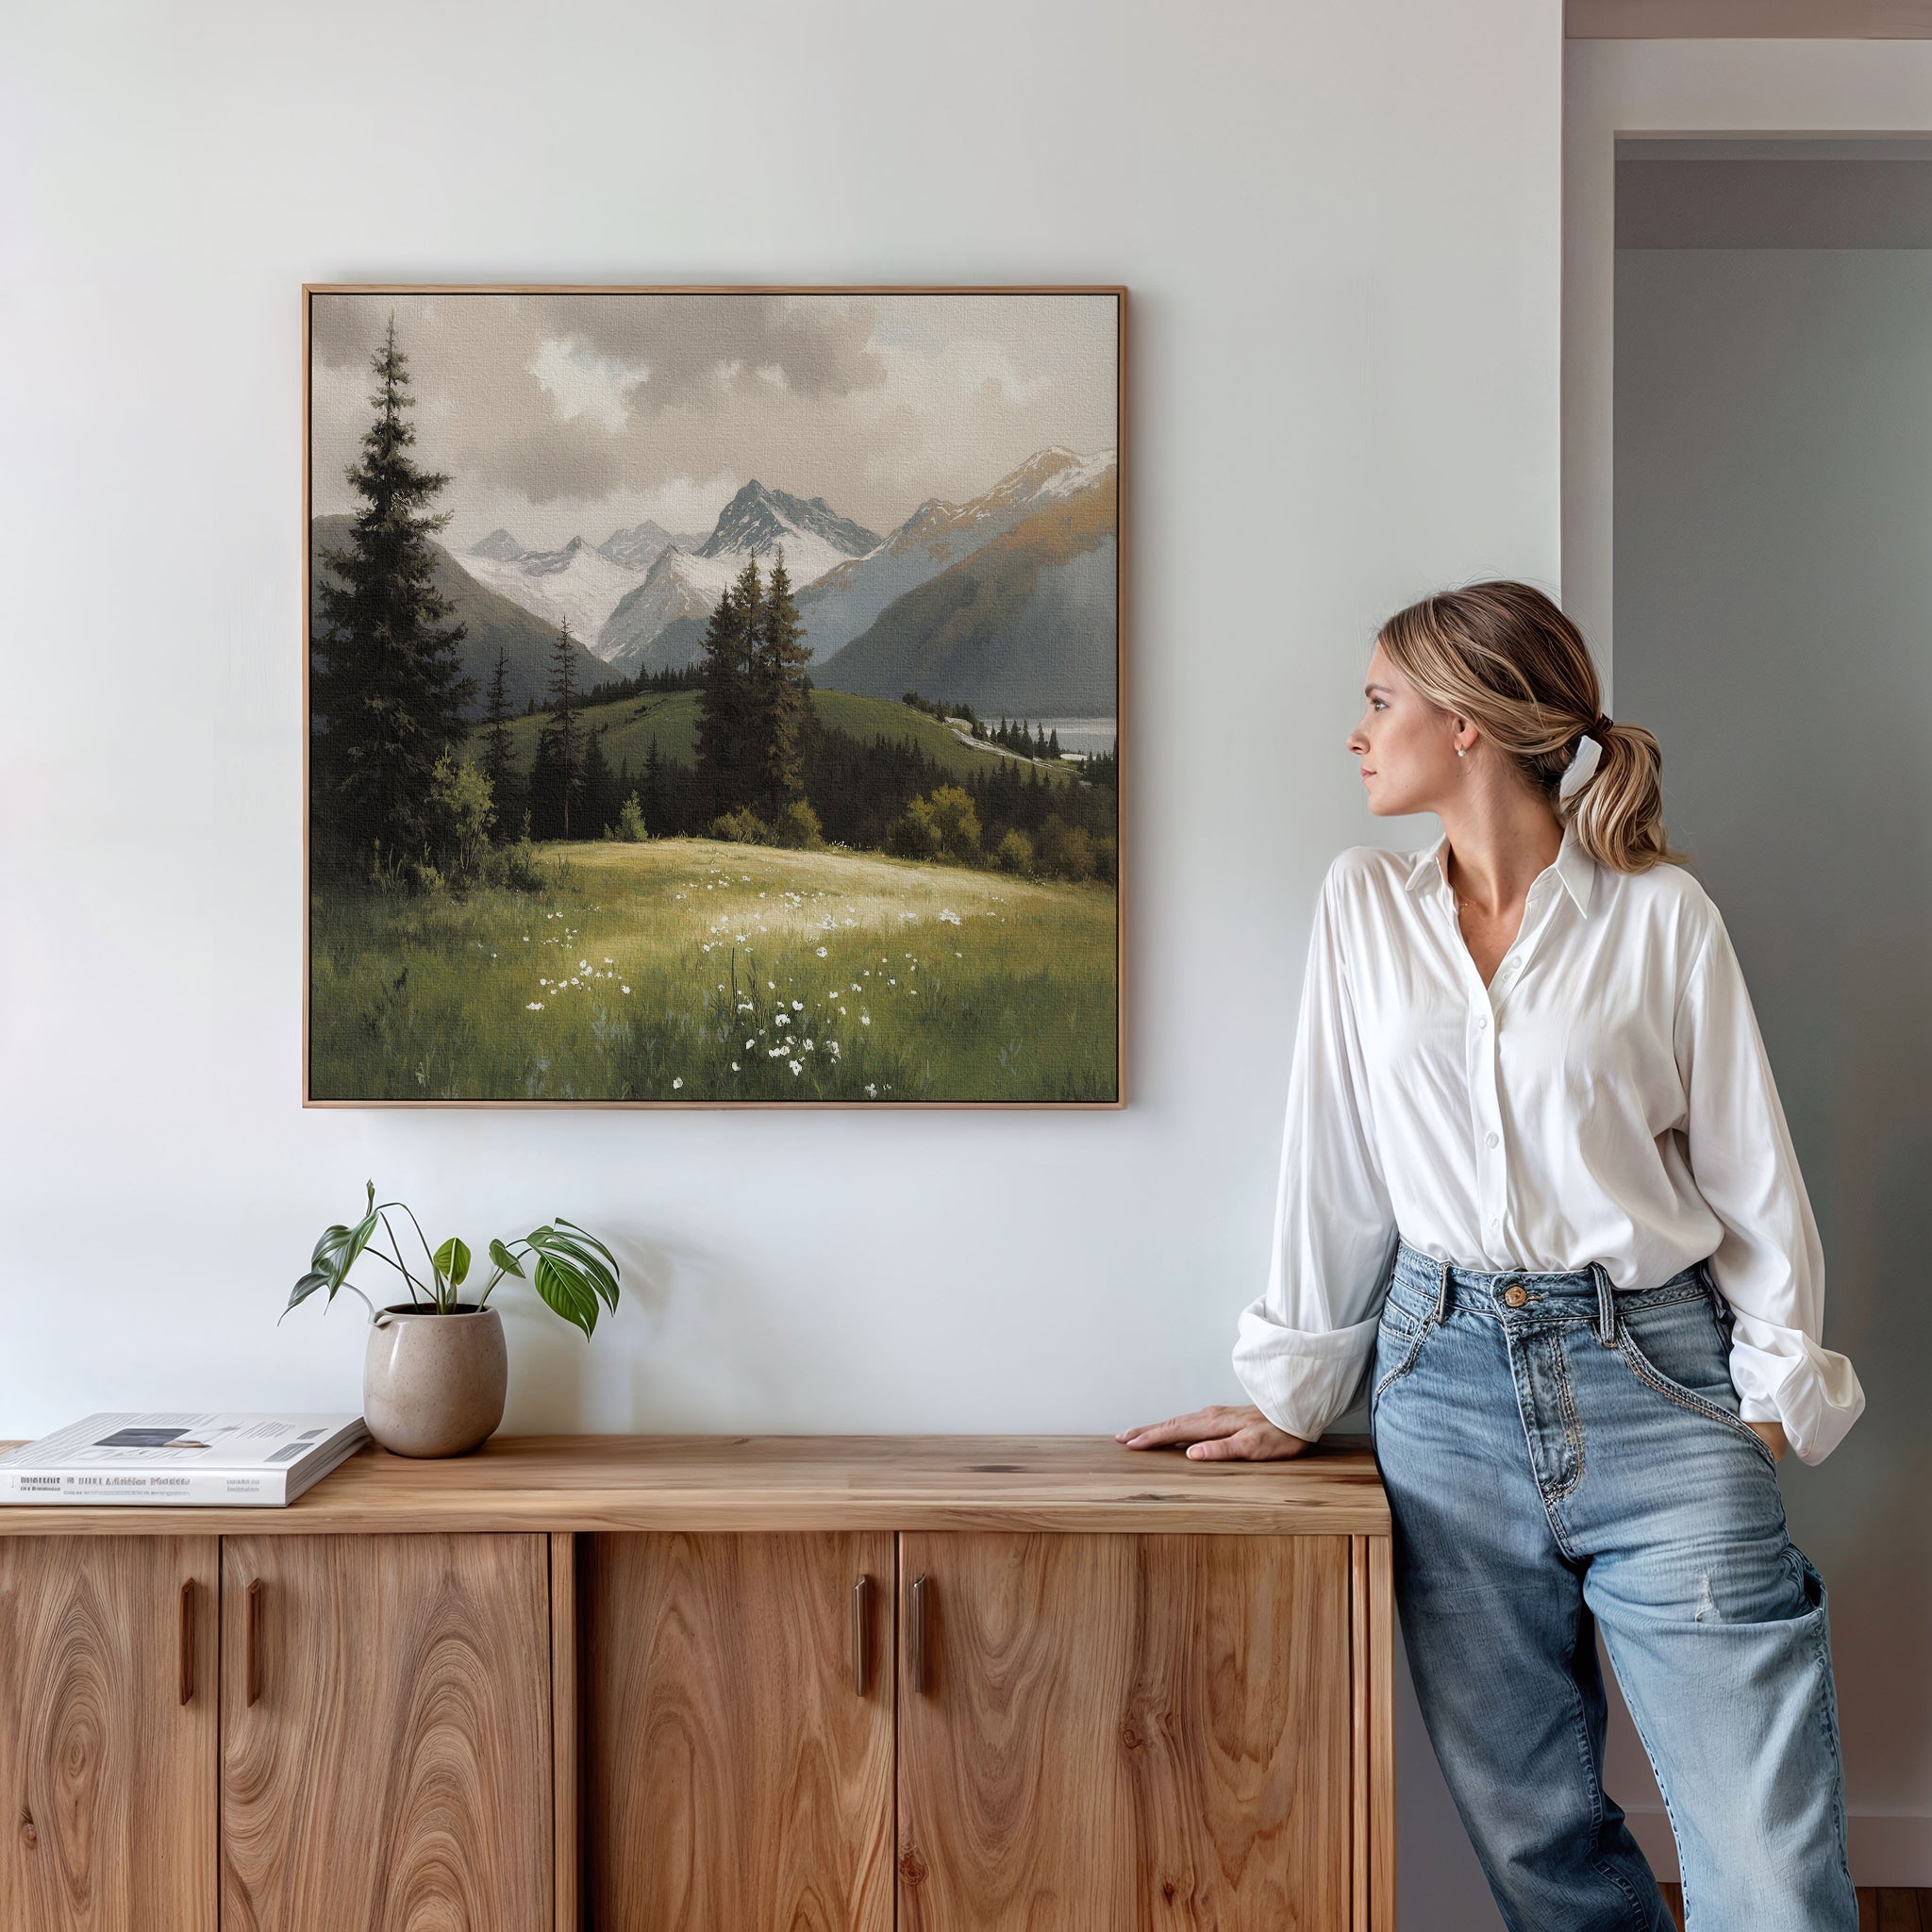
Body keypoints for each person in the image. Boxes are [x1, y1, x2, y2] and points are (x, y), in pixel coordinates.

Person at [1117, 581, 1864, 1931]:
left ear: (1466, 726)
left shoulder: (1660, 917)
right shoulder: (1362, 909)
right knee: (1540, 1850)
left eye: (1378, 700)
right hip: (1441, 1391)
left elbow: (1753, 1173)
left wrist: (1767, 1396)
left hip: (1660, 1379)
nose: (1356, 733)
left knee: (1768, 1863)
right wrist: (1297, 1391)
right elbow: (1331, 1162)